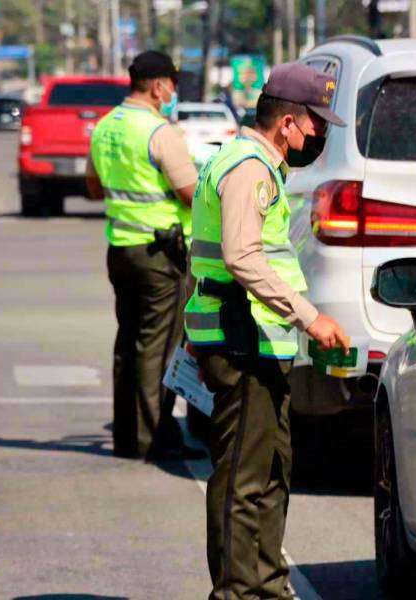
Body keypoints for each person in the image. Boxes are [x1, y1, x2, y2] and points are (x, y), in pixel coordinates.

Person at [183, 62, 349, 600]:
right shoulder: (250, 168)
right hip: (241, 340)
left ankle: (266, 586)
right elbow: (240, 256)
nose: (320, 136)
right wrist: (309, 315)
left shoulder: (244, 161)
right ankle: (237, 591)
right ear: (288, 122)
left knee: (272, 470)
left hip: (252, 339)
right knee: (242, 478)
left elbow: (200, 249)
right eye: (317, 125)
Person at [86, 50, 202, 461]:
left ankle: (127, 435)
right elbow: (191, 194)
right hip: (160, 255)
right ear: (157, 87)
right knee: (160, 347)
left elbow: (94, 189)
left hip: (121, 249)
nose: (173, 91)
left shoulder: (105, 128)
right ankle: (152, 438)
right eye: (172, 84)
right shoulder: (160, 132)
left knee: (128, 342)